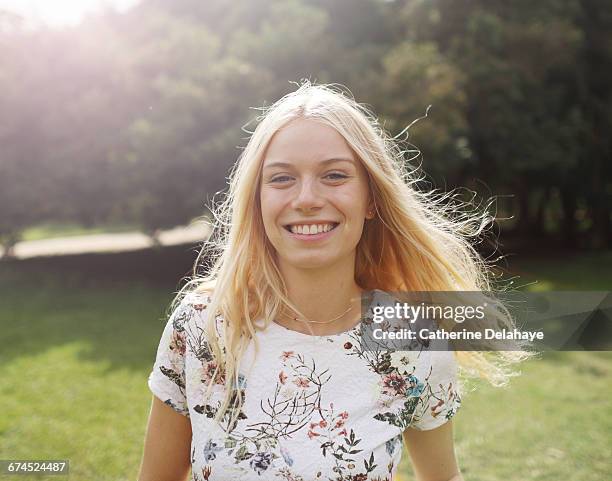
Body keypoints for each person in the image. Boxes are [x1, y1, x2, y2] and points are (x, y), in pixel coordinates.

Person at [138, 82, 528, 481]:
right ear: (257, 200)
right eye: (282, 179)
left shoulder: (415, 341)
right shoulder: (201, 327)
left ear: (371, 199)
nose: (306, 198)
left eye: (335, 175)